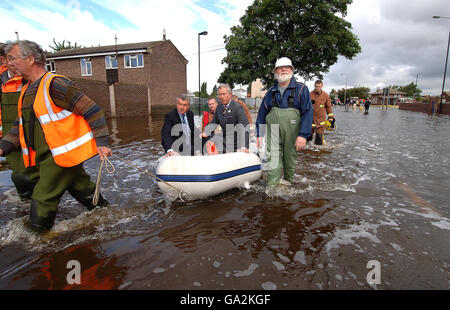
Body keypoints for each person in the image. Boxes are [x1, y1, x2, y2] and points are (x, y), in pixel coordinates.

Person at [0, 40, 111, 232]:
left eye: (13, 59)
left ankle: (38, 237)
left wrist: (101, 143)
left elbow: (93, 110)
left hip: (57, 158)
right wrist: (3, 147)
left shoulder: (55, 84)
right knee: (82, 188)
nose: (9, 64)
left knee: (43, 198)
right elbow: (19, 127)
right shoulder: (26, 89)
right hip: (49, 157)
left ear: (30, 59)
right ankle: (109, 214)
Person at [255, 57, 313, 186]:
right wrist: (259, 133)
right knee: (273, 160)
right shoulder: (270, 92)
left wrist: (303, 135)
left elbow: (308, 113)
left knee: (289, 160)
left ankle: (288, 185)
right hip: (273, 132)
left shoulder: (301, 89)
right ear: (275, 71)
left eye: (287, 67)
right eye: (280, 68)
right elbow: (261, 114)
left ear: (292, 69)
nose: (283, 69)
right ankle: (272, 188)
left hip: (293, 133)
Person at [0, 44, 39, 199]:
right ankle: (27, 203)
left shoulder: (30, 78)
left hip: (32, 134)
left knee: (37, 172)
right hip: (10, 135)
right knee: (20, 176)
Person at [203, 84, 249, 153]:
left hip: (236, 142)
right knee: (209, 143)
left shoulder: (237, 107)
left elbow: (245, 126)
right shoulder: (219, 108)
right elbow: (214, 122)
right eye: (220, 94)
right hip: (224, 139)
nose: (222, 97)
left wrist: (244, 146)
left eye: (224, 94)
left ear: (230, 94)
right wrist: (206, 131)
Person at [309, 80, 334, 145]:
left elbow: (328, 107)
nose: (318, 88)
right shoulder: (309, 94)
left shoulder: (326, 95)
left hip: (321, 121)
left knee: (319, 141)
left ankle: (318, 154)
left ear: (322, 86)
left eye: (319, 86)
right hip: (310, 121)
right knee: (307, 140)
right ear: (314, 86)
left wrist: (331, 117)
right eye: (316, 86)